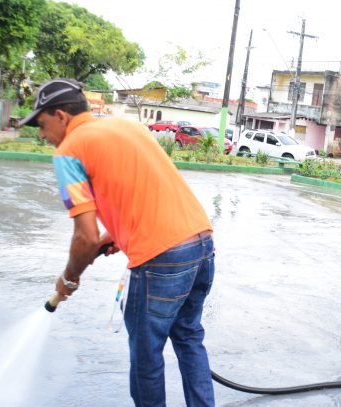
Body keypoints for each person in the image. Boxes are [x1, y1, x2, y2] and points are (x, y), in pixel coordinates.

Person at [20, 78, 216, 406]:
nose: (42, 135)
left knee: (146, 357)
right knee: (189, 339)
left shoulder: (69, 152)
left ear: (61, 116)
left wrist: (70, 277)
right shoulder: (129, 127)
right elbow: (149, 190)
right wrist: (117, 235)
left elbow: (85, 236)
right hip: (202, 244)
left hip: (161, 259)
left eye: (41, 125)